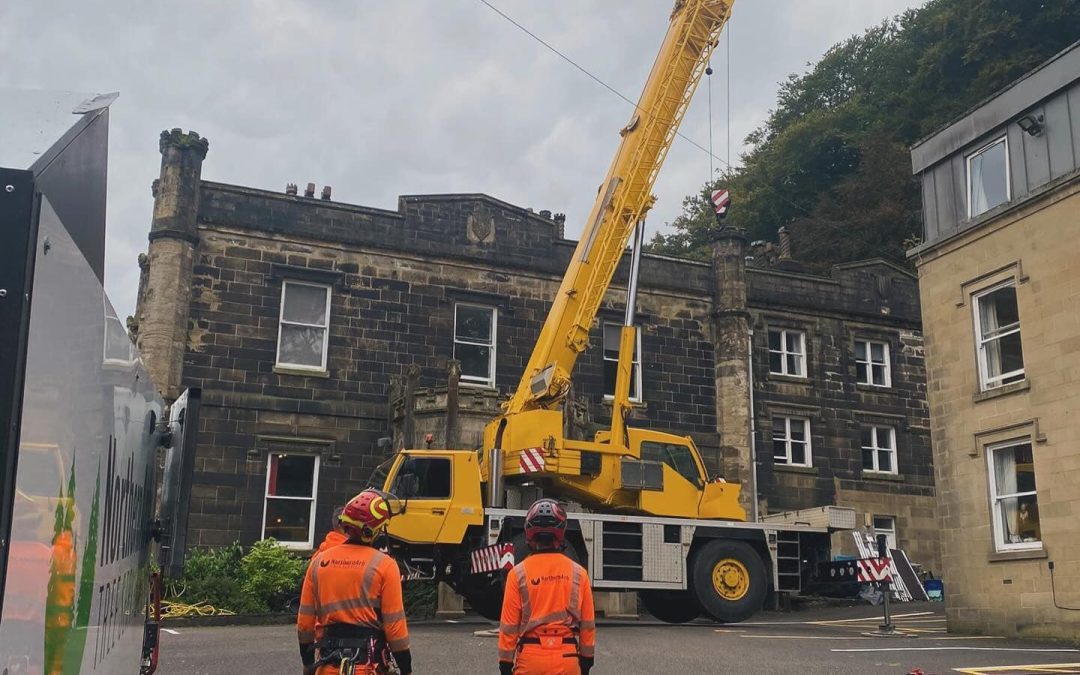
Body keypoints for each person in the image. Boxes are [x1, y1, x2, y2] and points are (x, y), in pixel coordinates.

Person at [297, 490, 412, 675]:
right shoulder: (385, 565)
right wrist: (406, 670)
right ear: (374, 530)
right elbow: (395, 630)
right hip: (367, 667)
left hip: (328, 666)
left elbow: (304, 625)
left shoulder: (318, 562)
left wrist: (308, 664)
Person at [498, 498, 595, 675]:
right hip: (567, 660)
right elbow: (587, 626)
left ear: (529, 532)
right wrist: (586, 663)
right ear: (561, 532)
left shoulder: (517, 574)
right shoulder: (579, 573)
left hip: (530, 660)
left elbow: (509, 627)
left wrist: (505, 665)